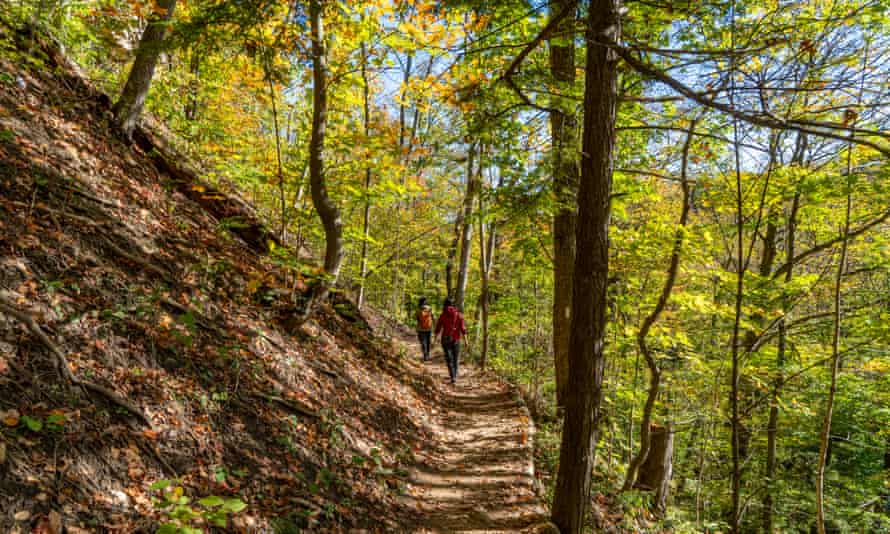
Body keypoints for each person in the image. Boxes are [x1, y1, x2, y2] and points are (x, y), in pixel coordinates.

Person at [434, 298, 467, 385]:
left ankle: (452, 376)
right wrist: (466, 340)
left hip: (445, 338)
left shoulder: (443, 315)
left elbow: (438, 328)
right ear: (453, 305)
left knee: (449, 358)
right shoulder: (459, 315)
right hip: (456, 339)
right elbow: (463, 329)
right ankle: (455, 375)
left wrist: (434, 339)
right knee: (455, 358)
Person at [415, 297, 433, 361]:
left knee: (423, 342)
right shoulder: (430, 308)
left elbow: (417, 318)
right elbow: (433, 317)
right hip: (429, 328)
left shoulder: (418, 309)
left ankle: (425, 355)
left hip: (420, 329)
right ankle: (427, 354)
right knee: (428, 342)